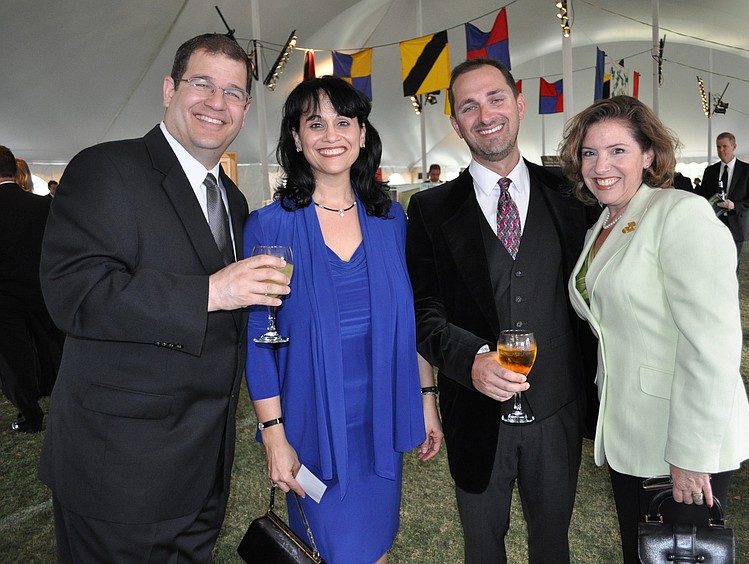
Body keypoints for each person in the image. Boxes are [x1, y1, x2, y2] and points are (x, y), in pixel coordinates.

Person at [38, 34, 288, 562]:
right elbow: (74, 293)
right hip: (120, 474)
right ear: (170, 89)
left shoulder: (234, 199)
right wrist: (209, 292)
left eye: (234, 92)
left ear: (245, 111)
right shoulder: (107, 168)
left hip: (201, 472)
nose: (217, 102)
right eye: (203, 84)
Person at [244, 76, 441, 564]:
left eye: (343, 121)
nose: (331, 134)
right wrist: (274, 434)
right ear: (296, 137)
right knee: (331, 550)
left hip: (380, 419)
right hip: (310, 425)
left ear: (361, 133)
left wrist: (427, 398)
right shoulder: (270, 225)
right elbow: (258, 341)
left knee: (374, 548)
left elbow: (409, 322)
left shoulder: (391, 221)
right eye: (316, 123)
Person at [406, 58, 594, 563]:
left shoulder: (573, 193)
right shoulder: (429, 210)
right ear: (455, 123)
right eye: (468, 106)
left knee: (552, 546)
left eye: (495, 99)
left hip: (557, 408)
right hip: (475, 414)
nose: (484, 114)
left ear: (519, 104)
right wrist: (469, 360)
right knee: (482, 549)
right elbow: (422, 312)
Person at [559, 95, 749, 564]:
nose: (600, 165)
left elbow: (712, 345)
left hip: (680, 440)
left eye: (617, 151)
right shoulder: (606, 224)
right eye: (590, 153)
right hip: (631, 434)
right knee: (641, 555)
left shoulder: (679, 214)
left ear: (649, 155)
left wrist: (691, 455)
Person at [0, 145, 63, 433]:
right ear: (14, 171)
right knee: (52, 348)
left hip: (4, 300)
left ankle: (30, 415)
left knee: (13, 360)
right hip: (41, 290)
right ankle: (64, 404)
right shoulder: (42, 206)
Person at [696, 132, 749, 270]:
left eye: (725, 146)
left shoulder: (748, 170)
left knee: (732, 264)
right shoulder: (710, 171)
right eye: (718, 147)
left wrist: (734, 205)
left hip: (737, 225)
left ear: (734, 146)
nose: (721, 150)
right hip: (714, 224)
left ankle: (731, 291)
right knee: (714, 262)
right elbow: (702, 196)